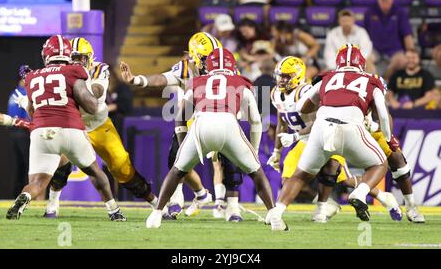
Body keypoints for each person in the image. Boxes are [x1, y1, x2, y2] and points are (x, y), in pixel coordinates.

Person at [15, 37, 158, 217]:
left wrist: (69, 81)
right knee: (60, 164)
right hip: (71, 124)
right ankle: (53, 204)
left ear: (90, 58)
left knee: (122, 167)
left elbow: (95, 93)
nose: (76, 62)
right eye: (73, 57)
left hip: (98, 126)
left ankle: (154, 201)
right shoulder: (64, 72)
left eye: (81, 58)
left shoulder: (98, 69)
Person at [120, 32, 245, 221]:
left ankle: (232, 207)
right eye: (205, 57)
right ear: (194, 57)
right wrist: (137, 80)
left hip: (220, 115)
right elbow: (163, 79)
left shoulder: (224, 66)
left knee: (230, 161)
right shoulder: (186, 68)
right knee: (176, 160)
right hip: (191, 117)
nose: (211, 61)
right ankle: (193, 195)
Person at [145, 48, 275, 229]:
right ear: (232, 65)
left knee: (177, 170)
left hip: (202, 123)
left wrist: (183, 143)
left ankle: (156, 213)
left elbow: (181, 116)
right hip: (228, 124)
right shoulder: (240, 81)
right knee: (257, 172)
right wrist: (253, 150)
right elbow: (256, 121)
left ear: (208, 65)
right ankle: (274, 215)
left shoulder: (197, 81)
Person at [268, 44, 392, 231]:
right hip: (346, 128)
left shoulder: (326, 78)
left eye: (286, 76)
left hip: (318, 131)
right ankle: (360, 194)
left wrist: (293, 136)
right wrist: (388, 137)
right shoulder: (370, 80)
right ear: (362, 64)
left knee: (303, 176)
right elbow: (383, 114)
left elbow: (302, 106)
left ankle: (279, 213)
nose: (282, 80)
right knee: (380, 164)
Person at [364, 0, 415, 79]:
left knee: (402, 61)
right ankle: (372, 85)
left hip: (394, 49)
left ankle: (385, 80)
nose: (385, 5)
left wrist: (410, 51)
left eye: (387, 2)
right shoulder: (369, 12)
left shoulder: (400, 12)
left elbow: (407, 34)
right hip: (375, 48)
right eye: (382, 2)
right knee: (365, 60)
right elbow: (364, 34)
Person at [7, 69, 31, 198]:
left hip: (14, 132)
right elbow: (27, 117)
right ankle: (28, 195)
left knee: (20, 165)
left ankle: (16, 195)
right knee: (29, 164)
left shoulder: (13, 92)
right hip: (22, 132)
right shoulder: (24, 93)